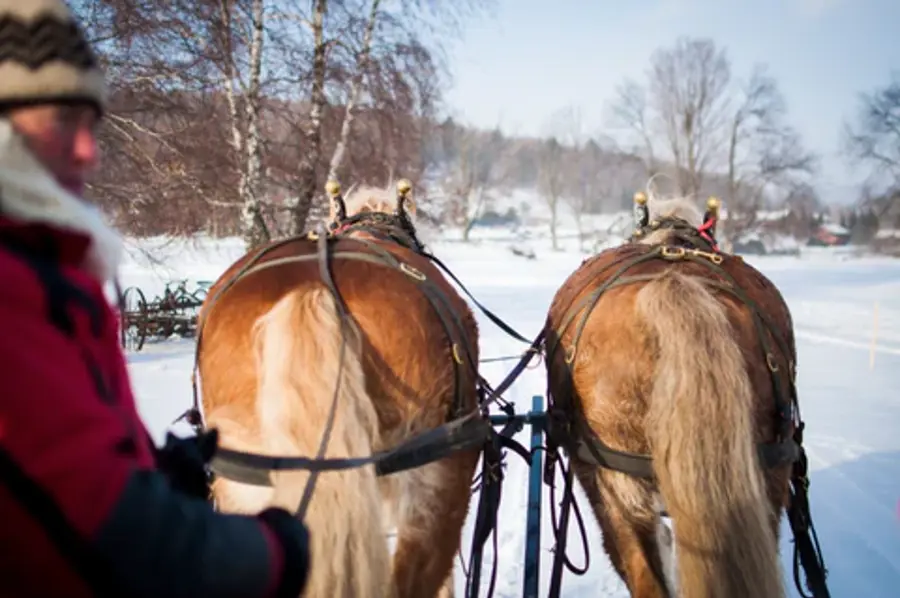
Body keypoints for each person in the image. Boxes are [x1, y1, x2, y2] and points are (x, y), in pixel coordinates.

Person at [0, 1, 310, 596]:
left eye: (91, 122)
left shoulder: (52, 272)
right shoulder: (10, 291)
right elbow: (112, 533)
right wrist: (274, 552)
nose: (89, 152)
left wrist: (151, 473)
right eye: (63, 120)